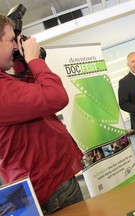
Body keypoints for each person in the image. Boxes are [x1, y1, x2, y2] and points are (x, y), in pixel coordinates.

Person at [0, 14, 84, 215]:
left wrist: (22, 61)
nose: (15, 46)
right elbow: (56, 97)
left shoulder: (5, 82)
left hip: (49, 180)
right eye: (11, 40)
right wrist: (33, 59)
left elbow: (31, 97)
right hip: (50, 186)